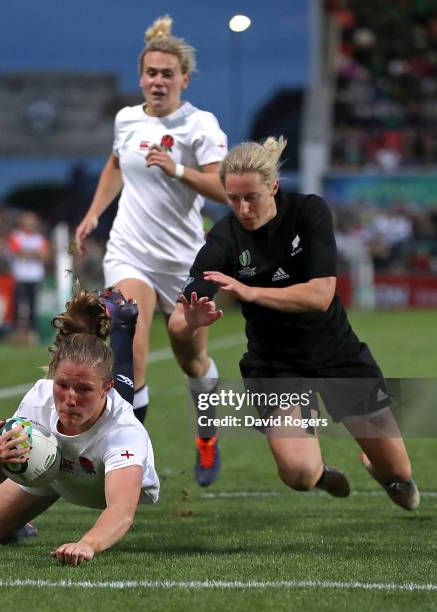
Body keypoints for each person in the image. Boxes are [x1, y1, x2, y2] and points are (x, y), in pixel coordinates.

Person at [168, 136, 419, 511]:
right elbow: (176, 322)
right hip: (275, 364)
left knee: (402, 481)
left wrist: (251, 293)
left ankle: (378, 465)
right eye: (233, 199)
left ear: (273, 186)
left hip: (335, 352)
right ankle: (324, 475)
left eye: (251, 197)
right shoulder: (223, 239)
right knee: (299, 473)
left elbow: (320, 296)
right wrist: (188, 323)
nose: (242, 208)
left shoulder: (309, 212)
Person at [75, 16, 228, 486]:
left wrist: (177, 170)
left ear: (184, 78)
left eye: (167, 74)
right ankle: (134, 467)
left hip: (183, 261)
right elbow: (116, 166)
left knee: (192, 361)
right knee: (129, 352)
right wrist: (94, 212)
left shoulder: (199, 124)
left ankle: (207, 434)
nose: (158, 81)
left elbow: (223, 188)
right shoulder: (127, 118)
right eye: (151, 73)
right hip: (129, 252)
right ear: (141, 76)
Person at [0, 290, 160, 564]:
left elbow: (121, 510)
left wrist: (88, 543)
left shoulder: (124, 432)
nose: (70, 398)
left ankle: (123, 327)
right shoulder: (39, 398)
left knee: (124, 390)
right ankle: (18, 525)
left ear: (104, 390)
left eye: (84, 389)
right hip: (50, 472)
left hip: (98, 483)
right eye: (62, 385)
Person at [7, 211, 49, 345]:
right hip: (20, 276)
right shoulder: (16, 236)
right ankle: (17, 334)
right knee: (18, 306)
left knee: (32, 306)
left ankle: (31, 335)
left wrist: (29, 253)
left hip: (35, 276)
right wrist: (34, 253)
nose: (30, 223)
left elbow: (44, 255)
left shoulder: (39, 238)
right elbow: (19, 253)